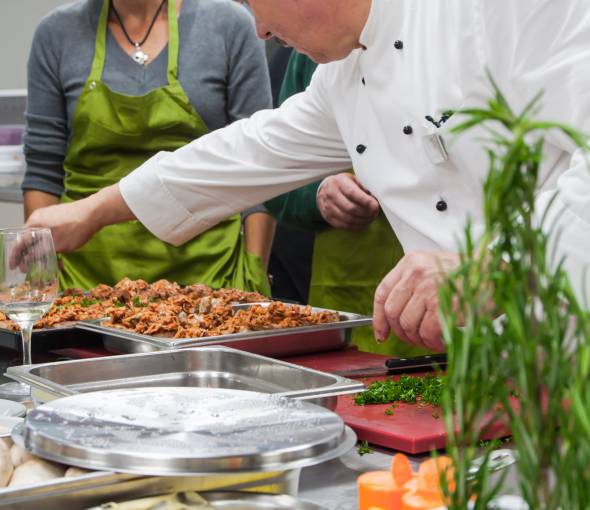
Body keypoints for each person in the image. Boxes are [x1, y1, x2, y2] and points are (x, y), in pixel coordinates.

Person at [24, 0, 590, 353]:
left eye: (254, 2)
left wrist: (492, 263)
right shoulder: (343, 74)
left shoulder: (503, 9)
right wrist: (93, 210)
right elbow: (247, 150)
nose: (261, 31)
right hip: (488, 366)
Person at [22, 0, 274, 293]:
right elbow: (43, 169)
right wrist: (44, 273)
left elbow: (256, 163)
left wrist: (254, 269)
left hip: (212, 279)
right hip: (84, 283)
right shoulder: (56, 33)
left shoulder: (228, 24)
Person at [266, 51, 429, 357]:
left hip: (451, 297)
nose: (262, 34)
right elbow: (275, 182)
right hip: (347, 289)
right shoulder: (309, 54)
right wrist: (318, 195)